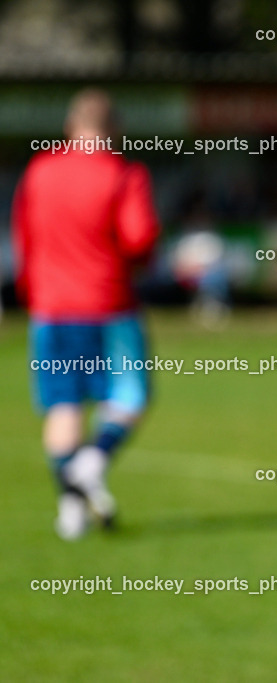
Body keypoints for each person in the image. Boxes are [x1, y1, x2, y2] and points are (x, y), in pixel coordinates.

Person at [12, 88, 160, 540]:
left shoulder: (39, 173)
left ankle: (70, 512)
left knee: (63, 405)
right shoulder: (122, 173)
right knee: (131, 395)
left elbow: (24, 239)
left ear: (69, 127)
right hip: (107, 305)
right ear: (113, 129)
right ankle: (92, 463)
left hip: (51, 308)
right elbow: (140, 239)